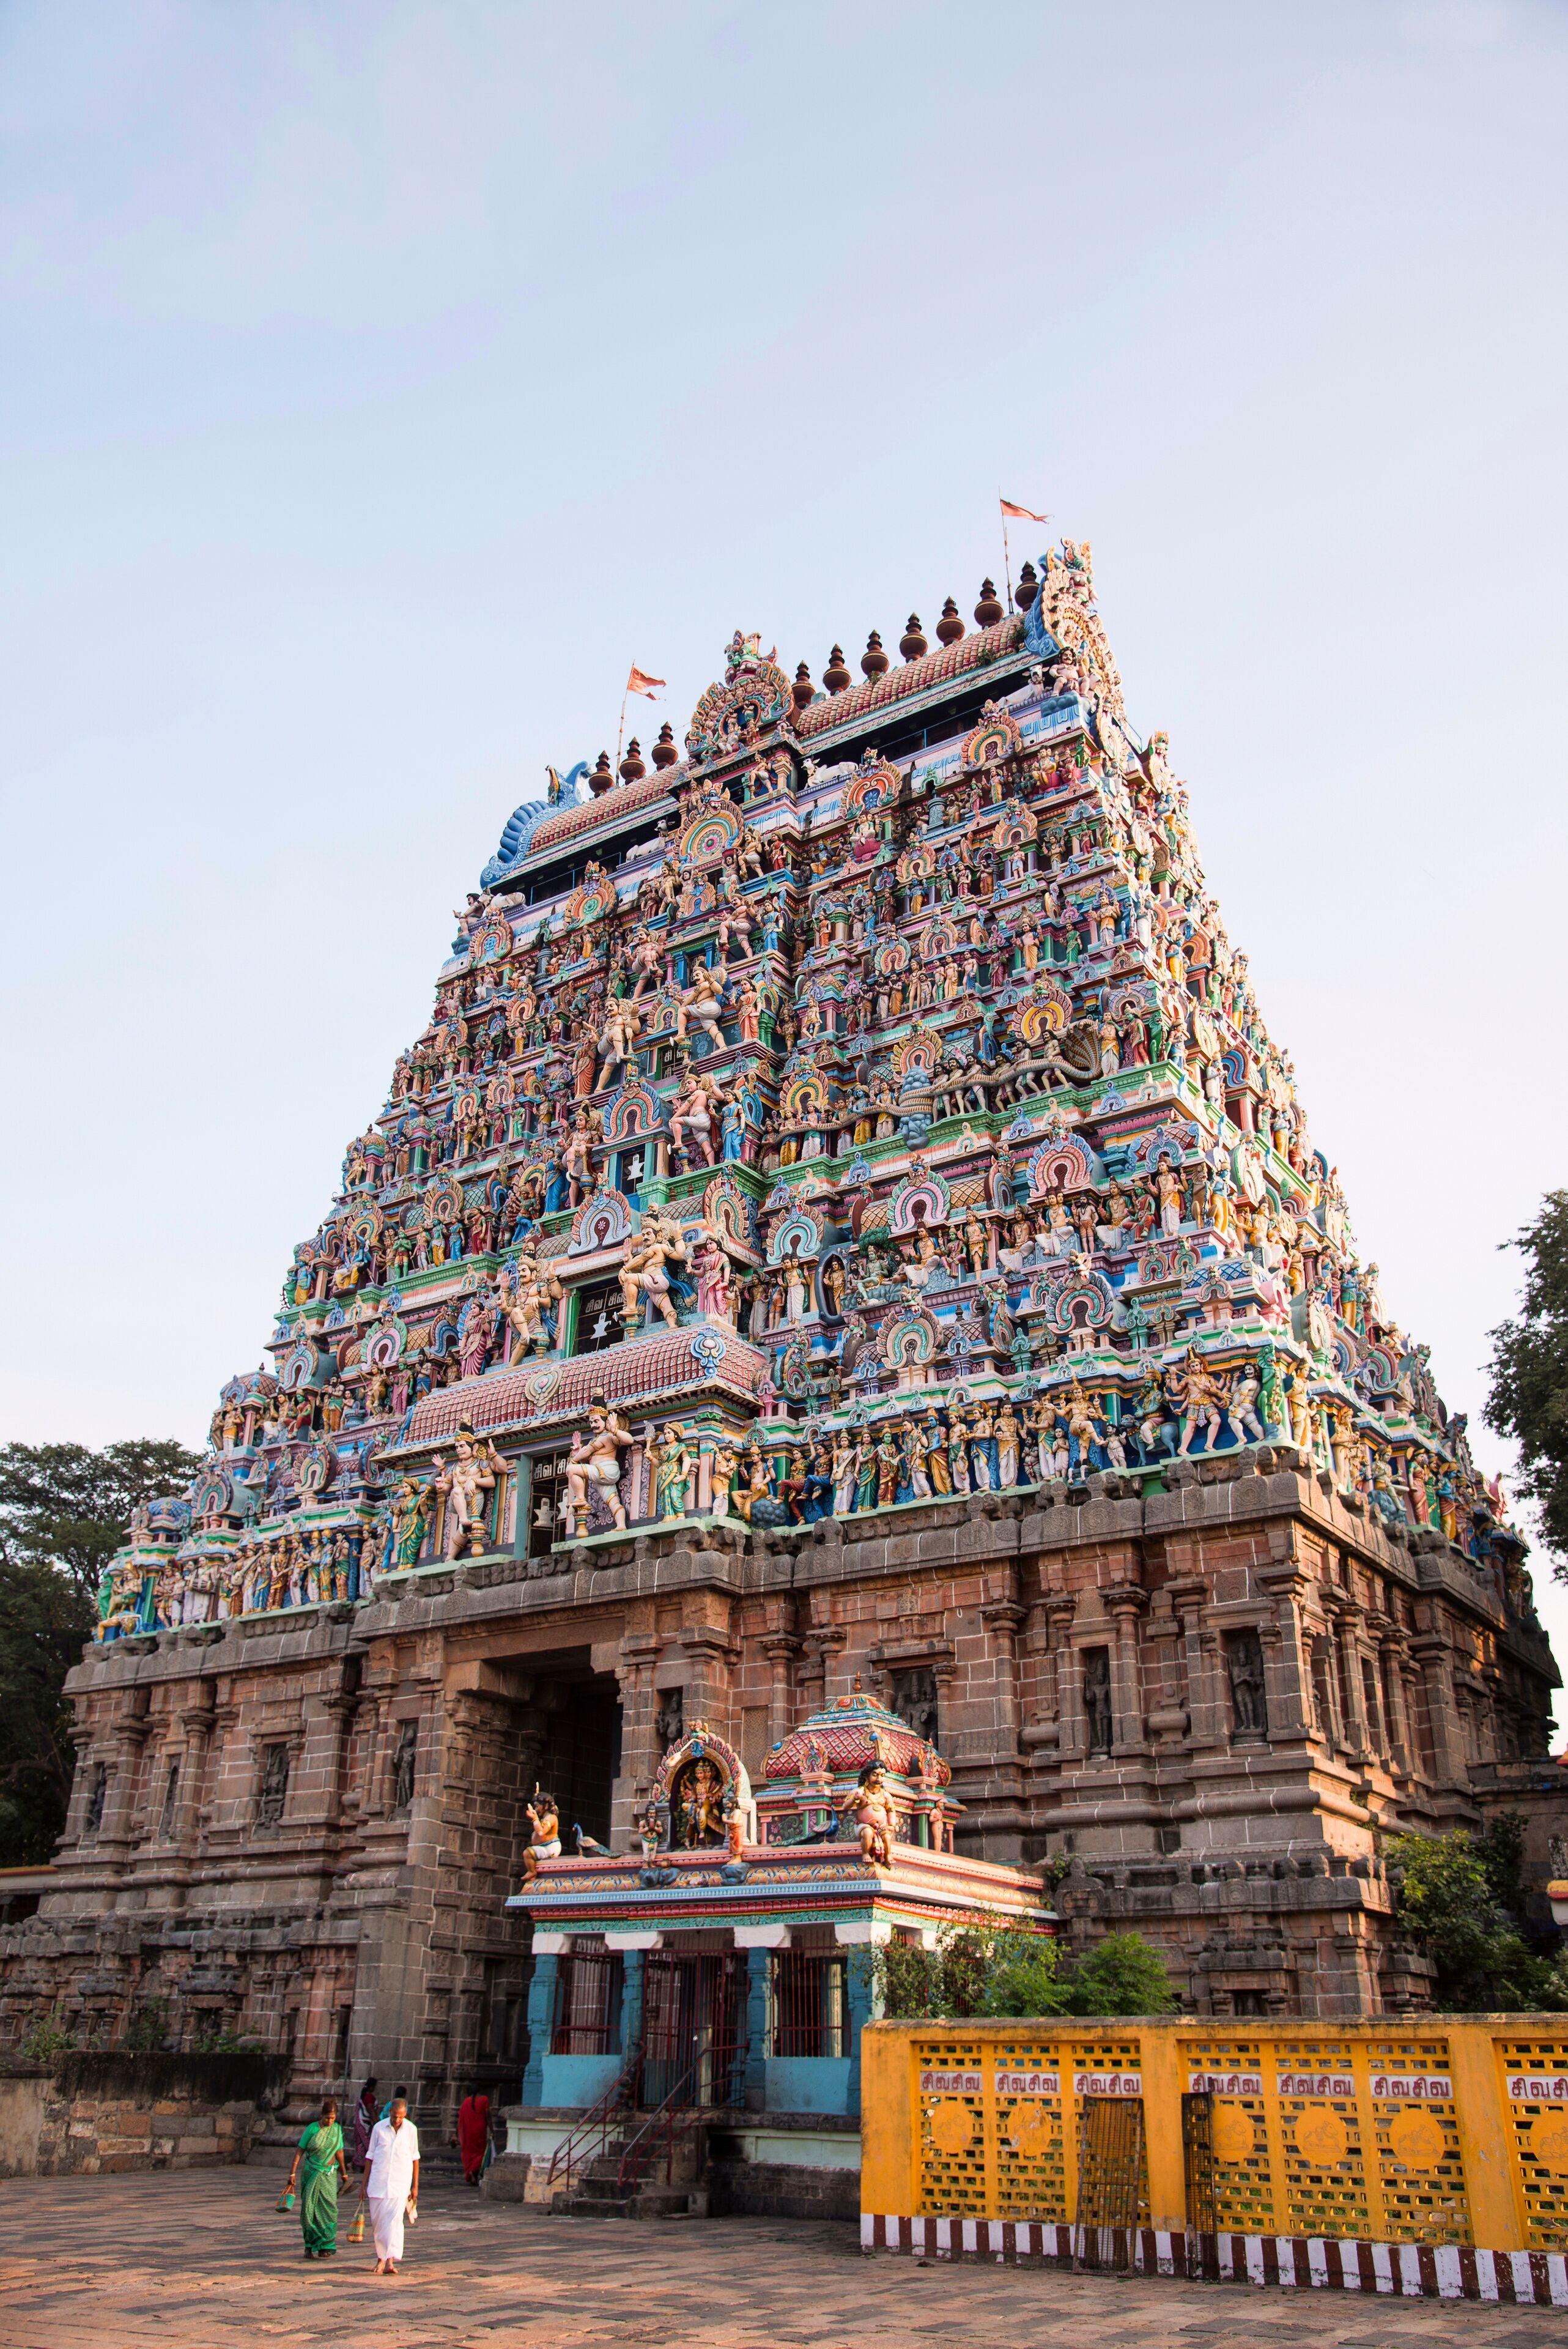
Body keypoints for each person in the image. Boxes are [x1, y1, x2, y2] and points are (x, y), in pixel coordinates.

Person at [359, 2092, 420, 2275]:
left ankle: (390, 2261)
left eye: (400, 2117)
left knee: (394, 2223)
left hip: (400, 2184)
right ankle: (380, 2257)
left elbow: (415, 2158)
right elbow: (369, 2156)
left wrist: (415, 2186)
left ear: (405, 2115)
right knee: (378, 2224)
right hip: (378, 2182)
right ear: (390, 2113)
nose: (397, 2120)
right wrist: (364, 2184)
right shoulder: (379, 2128)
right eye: (394, 2117)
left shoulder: (411, 2130)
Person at [284, 2096, 349, 2259]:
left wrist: (344, 2174)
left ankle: (325, 2246)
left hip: (329, 2175)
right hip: (312, 2173)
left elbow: (339, 2152)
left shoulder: (337, 2130)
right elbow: (300, 2151)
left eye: (333, 2118)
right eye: (327, 2118)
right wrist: (292, 2174)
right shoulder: (312, 2129)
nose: (330, 2121)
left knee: (329, 2210)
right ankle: (309, 2246)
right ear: (322, 2116)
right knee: (309, 2210)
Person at [455, 2088, 490, 2188]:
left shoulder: (466, 2101)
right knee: (480, 2153)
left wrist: (457, 2133)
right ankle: (473, 2171)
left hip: (468, 2130)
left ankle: (471, 2173)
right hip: (480, 2130)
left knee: (468, 2152)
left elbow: (460, 2119)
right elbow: (488, 2115)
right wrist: (492, 2129)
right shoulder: (484, 2099)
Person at [352, 2077, 378, 2168]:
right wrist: (377, 2124)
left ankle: (356, 2164)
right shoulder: (369, 2097)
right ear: (372, 2087)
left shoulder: (363, 2096)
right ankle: (357, 2163)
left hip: (361, 2124)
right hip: (365, 2125)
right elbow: (371, 2111)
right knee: (366, 2145)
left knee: (361, 2145)